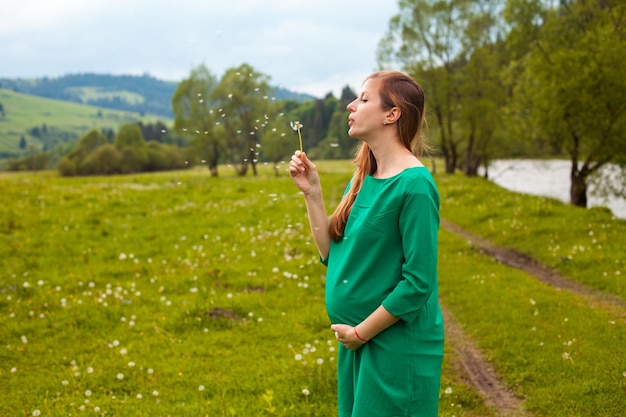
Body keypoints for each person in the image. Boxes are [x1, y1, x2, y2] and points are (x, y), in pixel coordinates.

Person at [289, 70, 444, 417]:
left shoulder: (415, 185)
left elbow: (418, 283)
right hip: (357, 343)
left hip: (394, 346)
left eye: (363, 99)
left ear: (392, 114)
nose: (350, 105)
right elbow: (333, 254)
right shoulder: (363, 178)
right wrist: (312, 192)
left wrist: (361, 332)